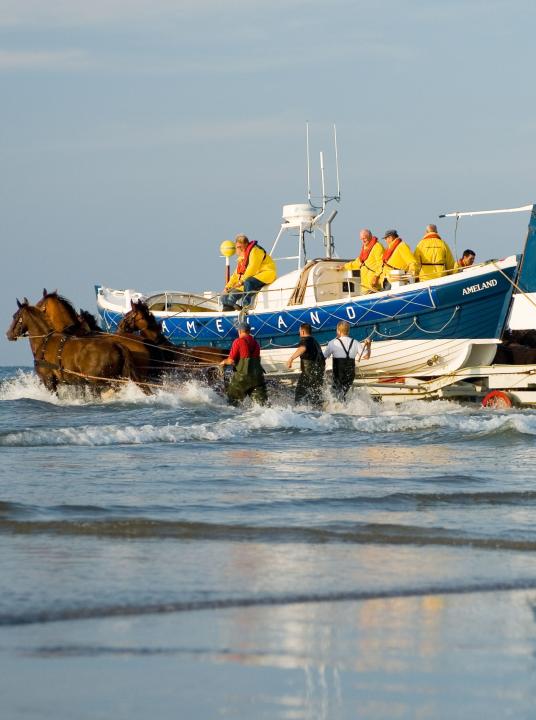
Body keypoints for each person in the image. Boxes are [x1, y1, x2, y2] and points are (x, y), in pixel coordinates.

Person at [221, 234, 277, 311]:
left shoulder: (255, 251)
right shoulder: (242, 259)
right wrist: (227, 287)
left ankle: (245, 306)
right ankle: (228, 313)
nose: (238, 249)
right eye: (237, 247)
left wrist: (241, 281)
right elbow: (235, 275)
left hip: (266, 273)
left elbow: (252, 268)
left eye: (239, 247)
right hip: (249, 279)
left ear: (245, 245)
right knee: (224, 297)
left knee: (248, 282)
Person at [219, 322, 267, 405]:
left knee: (232, 403)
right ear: (249, 331)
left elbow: (231, 361)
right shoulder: (256, 343)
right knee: (262, 406)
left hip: (242, 378)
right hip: (258, 378)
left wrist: (223, 362)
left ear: (240, 331)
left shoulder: (238, 341)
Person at [323, 321, 371, 401]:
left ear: (338, 330)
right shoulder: (355, 342)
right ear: (348, 331)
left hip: (338, 373)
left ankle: (338, 409)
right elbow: (366, 356)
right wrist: (369, 346)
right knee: (344, 392)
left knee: (337, 394)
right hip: (350, 373)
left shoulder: (332, 343)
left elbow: (323, 358)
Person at [286, 323, 325, 408]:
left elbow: (302, 348)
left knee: (299, 394)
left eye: (299, 331)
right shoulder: (315, 342)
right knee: (316, 396)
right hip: (318, 375)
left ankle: (298, 414)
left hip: (308, 375)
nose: (299, 333)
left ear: (303, 331)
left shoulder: (305, 340)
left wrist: (291, 359)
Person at [337, 228, 384, 293]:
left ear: (370, 236)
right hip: (365, 286)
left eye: (364, 238)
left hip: (374, 285)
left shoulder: (377, 247)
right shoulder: (365, 248)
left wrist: (376, 276)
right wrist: (344, 266)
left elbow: (382, 264)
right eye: (361, 239)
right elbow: (358, 263)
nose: (363, 241)